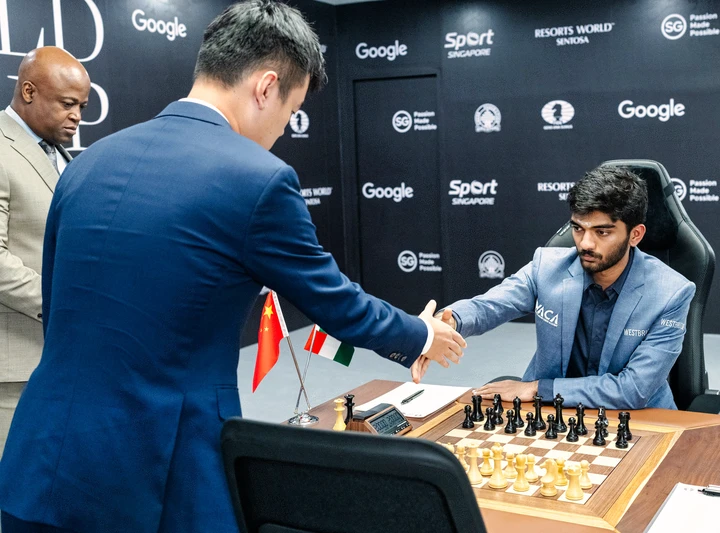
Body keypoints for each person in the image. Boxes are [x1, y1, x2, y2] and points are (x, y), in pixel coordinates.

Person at [0, 2, 465, 532]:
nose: (283, 132)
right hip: (160, 477)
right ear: (266, 87)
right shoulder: (258, 179)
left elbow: (56, 303)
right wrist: (421, 335)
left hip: (40, 463)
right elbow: (335, 302)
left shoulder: (88, 164)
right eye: (290, 114)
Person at [436, 167, 695, 410]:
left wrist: (539, 389)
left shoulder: (671, 292)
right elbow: (488, 306)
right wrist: (449, 321)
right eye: (578, 229)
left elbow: (633, 390)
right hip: (554, 413)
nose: (586, 243)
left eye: (602, 232)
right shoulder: (547, 267)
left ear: (635, 235)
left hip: (639, 418)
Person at [0, 47, 90, 458]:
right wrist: (68, 302)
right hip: (12, 370)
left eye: (83, 106)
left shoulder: (60, 154)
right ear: (29, 91)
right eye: (68, 104)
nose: (77, 116)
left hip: (59, 359)